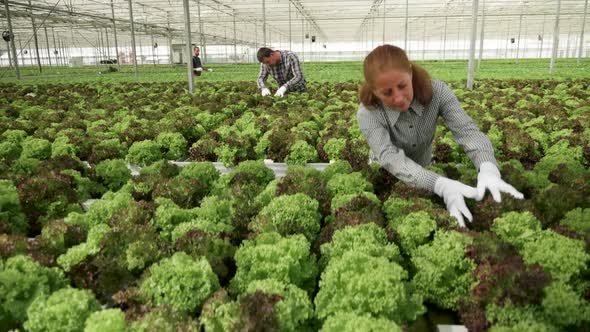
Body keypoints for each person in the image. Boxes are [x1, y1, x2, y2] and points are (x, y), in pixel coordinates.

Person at [357, 44, 523, 226]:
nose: (398, 97)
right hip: (385, 174)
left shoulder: (438, 93)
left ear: (410, 73)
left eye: (402, 86)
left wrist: (487, 167)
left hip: (426, 166)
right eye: (387, 93)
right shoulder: (368, 113)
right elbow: (389, 156)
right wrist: (440, 185)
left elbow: (467, 131)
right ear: (374, 91)